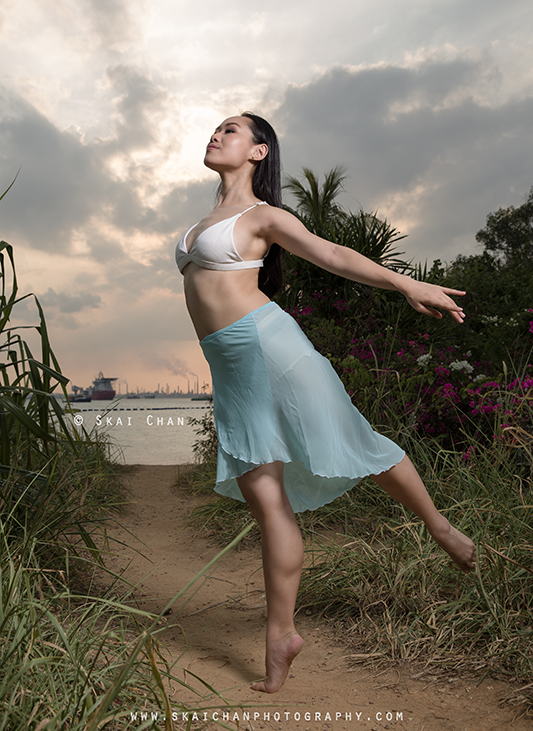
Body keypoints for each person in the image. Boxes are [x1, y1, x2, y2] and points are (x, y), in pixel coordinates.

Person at [175, 112, 476, 694]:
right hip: (231, 369)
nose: (216, 135)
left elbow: (333, 254)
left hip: (271, 346)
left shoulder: (262, 215)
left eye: (231, 130)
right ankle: (280, 635)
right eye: (215, 128)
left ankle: (439, 528)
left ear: (259, 152)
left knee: (354, 439)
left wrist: (407, 283)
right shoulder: (202, 222)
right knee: (268, 504)